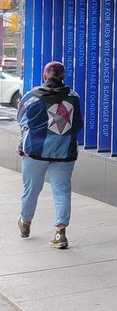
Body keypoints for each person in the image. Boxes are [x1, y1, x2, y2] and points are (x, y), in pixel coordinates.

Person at [17, 61, 83, 249]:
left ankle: (25, 223)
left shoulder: (32, 96)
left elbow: (21, 120)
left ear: (45, 76)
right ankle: (60, 233)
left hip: (35, 152)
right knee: (62, 191)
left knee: (31, 189)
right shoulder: (74, 97)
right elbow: (77, 124)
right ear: (63, 77)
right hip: (64, 152)